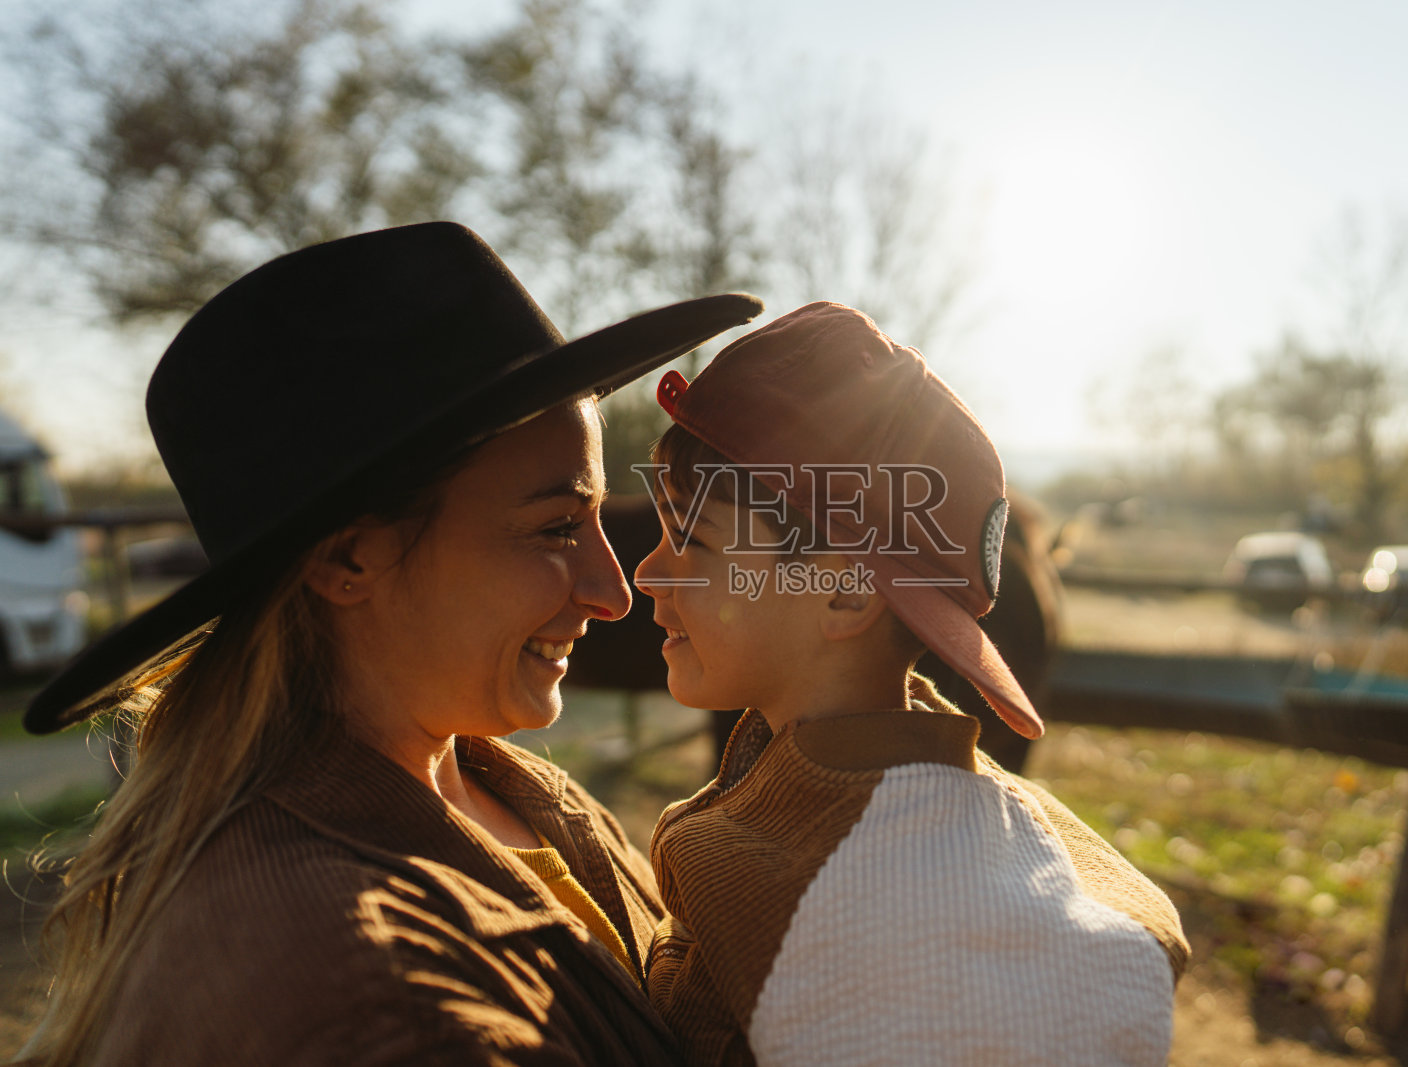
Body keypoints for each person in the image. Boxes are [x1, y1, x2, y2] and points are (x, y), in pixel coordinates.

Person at [17, 222, 761, 1066]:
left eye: (594, 519)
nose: (613, 590)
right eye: (555, 527)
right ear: (348, 557)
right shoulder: (370, 996)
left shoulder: (500, 789)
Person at [632, 302, 1190, 1066]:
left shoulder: (756, 885)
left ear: (846, 594)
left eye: (689, 539)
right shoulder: (1051, 844)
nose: (645, 571)